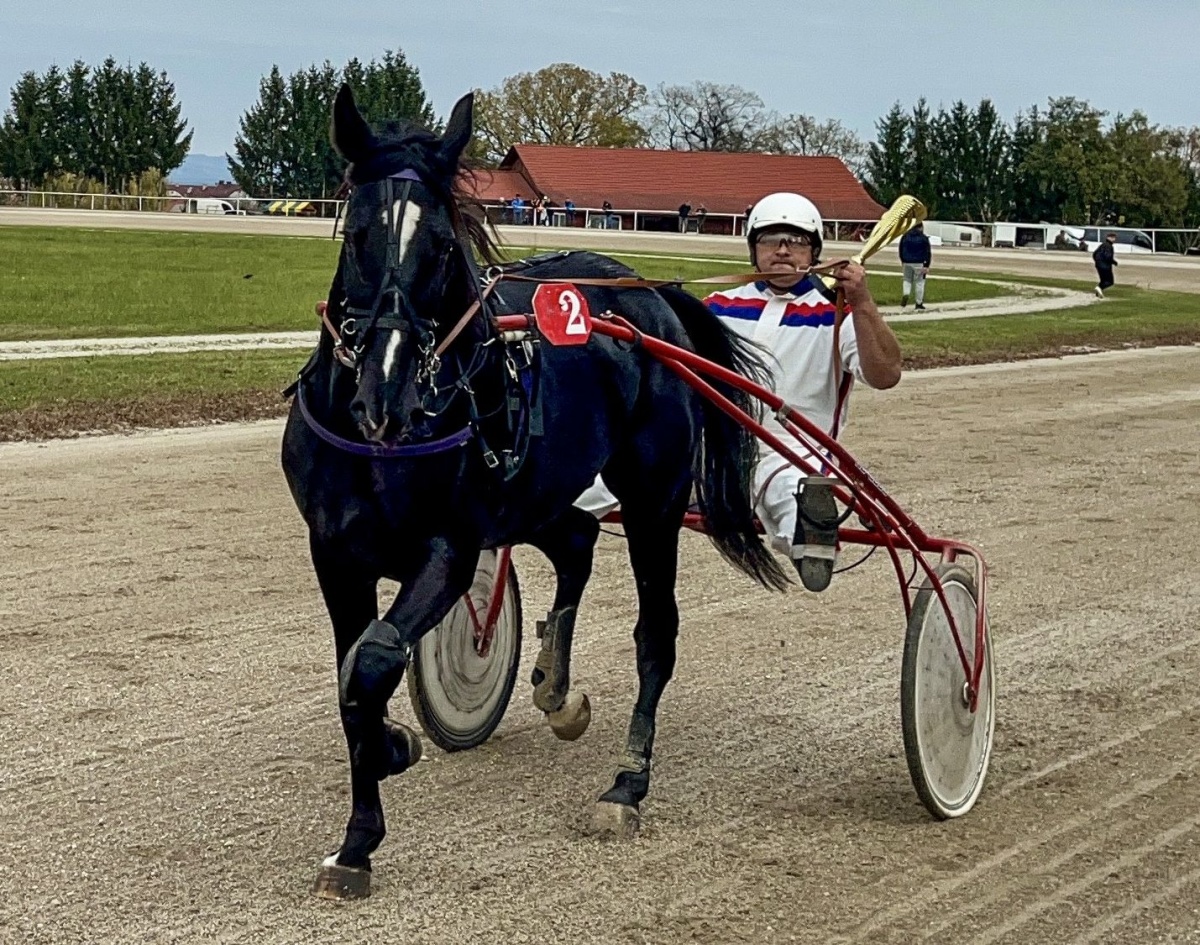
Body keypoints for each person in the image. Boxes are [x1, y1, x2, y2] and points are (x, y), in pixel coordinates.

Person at [574, 192, 902, 593]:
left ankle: (812, 534)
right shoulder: (716, 306)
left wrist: (864, 302)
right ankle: (538, 517)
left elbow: (885, 374)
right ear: (753, 249)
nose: (782, 250)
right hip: (708, 446)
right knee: (603, 477)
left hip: (791, 450)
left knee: (788, 491)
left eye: (795, 241)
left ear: (814, 251)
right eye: (770, 240)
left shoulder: (838, 316)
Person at [898, 221, 931, 310]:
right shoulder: (924, 238)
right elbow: (928, 252)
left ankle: (906, 293)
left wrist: (903, 261)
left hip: (906, 262)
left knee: (907, 280)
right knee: (920, 282)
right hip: (919, 262)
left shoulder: (905, 236)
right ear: (920, 227)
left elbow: (900, 250)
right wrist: (926, 265)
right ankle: (918, 303)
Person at [1093, 232, 1117, 297]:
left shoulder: (1102, 245)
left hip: (1098, 265)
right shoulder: (1109, 246)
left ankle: (1098, 293)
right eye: (1113, 237)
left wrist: (1097, 262)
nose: (1114, 239)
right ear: (1109, 238)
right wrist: (1114, 262)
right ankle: (1099, 288)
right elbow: (1108, 257)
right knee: (1110, 281)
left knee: (1103, 280)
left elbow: (1094, 254)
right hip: (1105, 266)